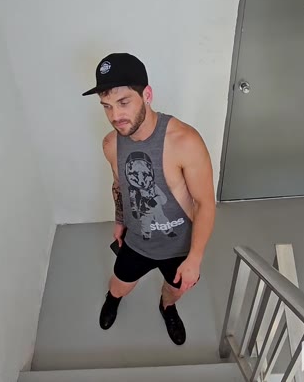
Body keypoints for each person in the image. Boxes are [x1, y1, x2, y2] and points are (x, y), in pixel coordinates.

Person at [81, 53, 216, 345]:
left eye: (124, 102)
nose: (115, 116)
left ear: (147, 95)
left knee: (174, 291)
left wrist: (195, 258)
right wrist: (120, 220)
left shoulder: (185, 141)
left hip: (179, 246)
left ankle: (167, 309)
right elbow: (119, 185)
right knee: (119, 285)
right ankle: (113, 300)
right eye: (107, 106)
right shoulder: (111, 144)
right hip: (137, 240)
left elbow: (205, 203)